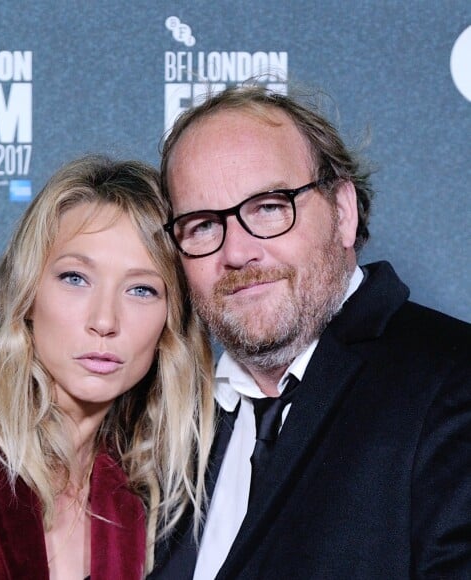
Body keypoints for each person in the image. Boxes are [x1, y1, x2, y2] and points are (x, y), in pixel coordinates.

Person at [150, 85, 471, 579]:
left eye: (269, 207)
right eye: (203, 225)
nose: (237, 252)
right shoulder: (172, 426)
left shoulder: (453, 381)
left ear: (343, 212)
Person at [0, 155, 215, 579]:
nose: (105, 321)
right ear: (28, 294)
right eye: (75, 278)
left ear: (170, 322)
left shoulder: (135, 505)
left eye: (141, 289)